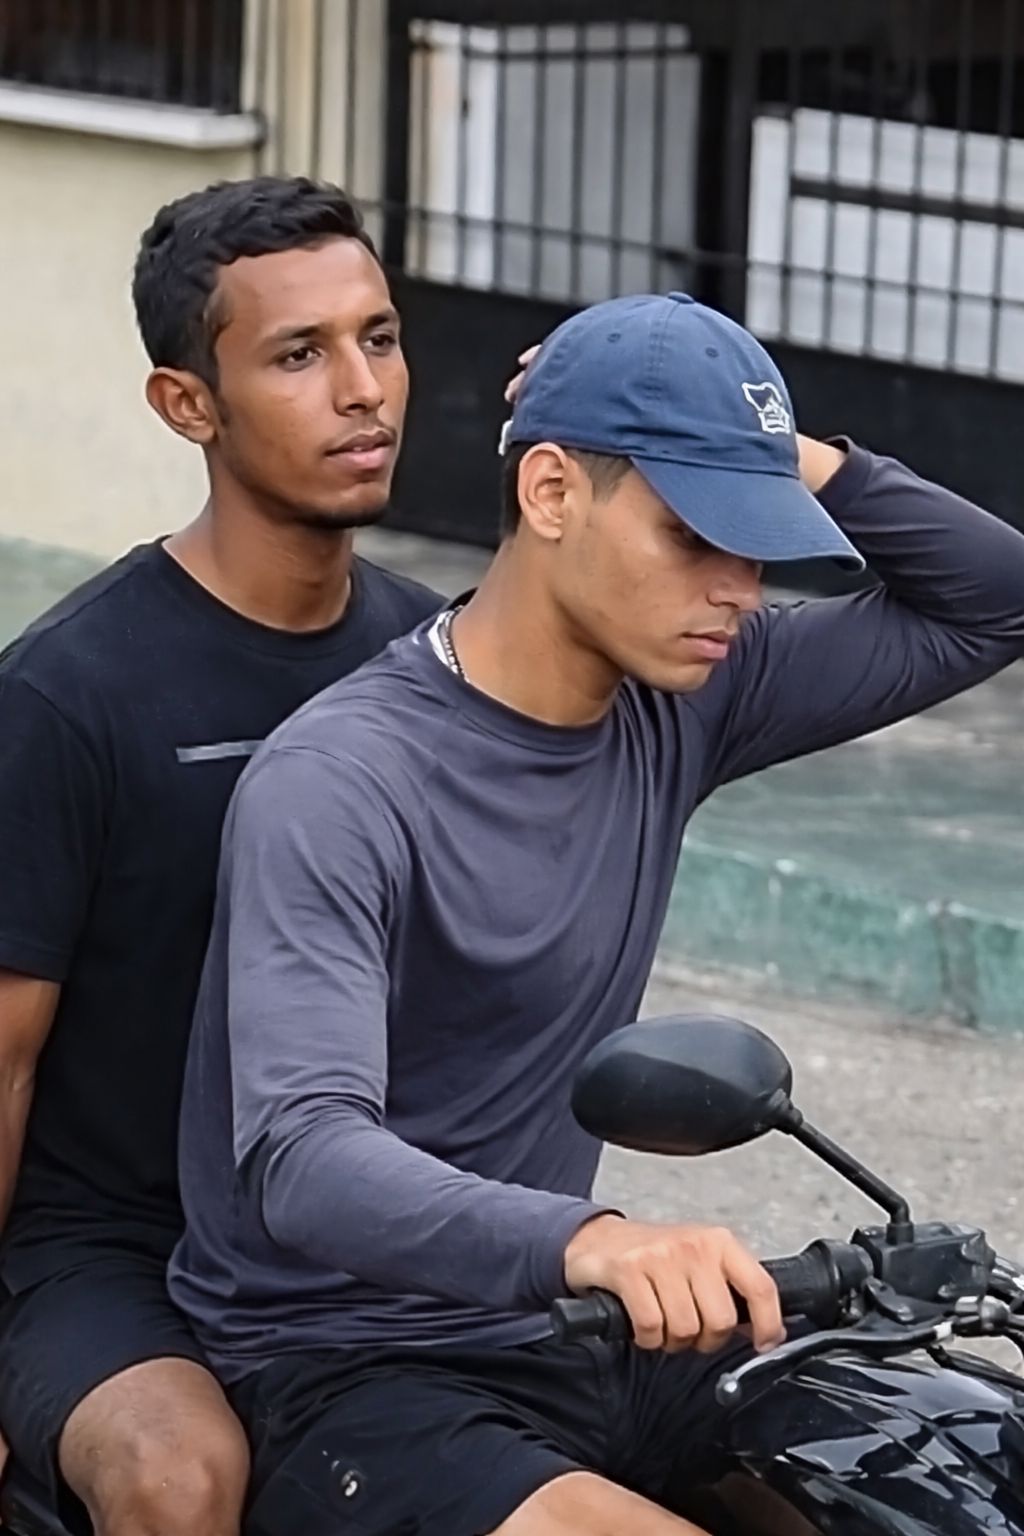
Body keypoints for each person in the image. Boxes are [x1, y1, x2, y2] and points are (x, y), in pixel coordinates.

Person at [172, 289, 1024, 1536]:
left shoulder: (688, 693)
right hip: (353, 1364)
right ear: (553, 493)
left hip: (588, 1339)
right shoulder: (340, 784)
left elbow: (997, 597)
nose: (739, 588)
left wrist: (762, 444)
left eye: (758, 540)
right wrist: (597, 1241)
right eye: (696, 533)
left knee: (968, 1479)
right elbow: (305, 1158)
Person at [0, 176, 442, 1536]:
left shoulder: (438, 660)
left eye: (378, 337)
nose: (361, 389)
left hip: (351, 1231)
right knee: (180, 1480)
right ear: (188, 405)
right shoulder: (68, 696)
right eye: (299, 355)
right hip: (112, 1251)